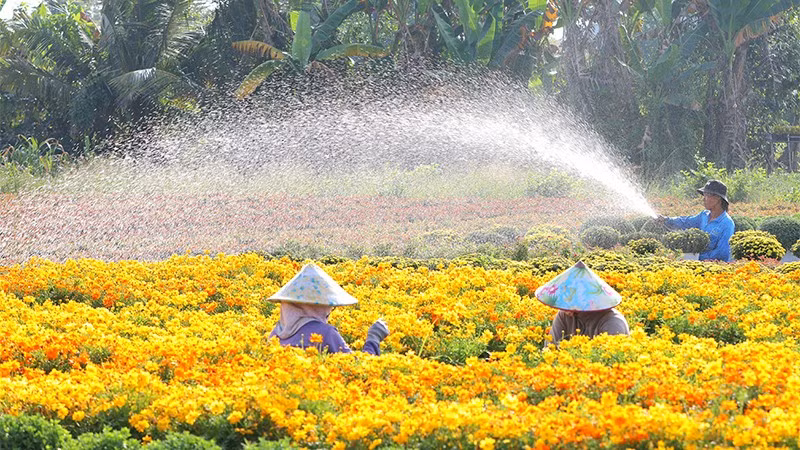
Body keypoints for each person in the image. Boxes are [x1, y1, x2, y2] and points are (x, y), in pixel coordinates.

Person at [267, 263, 389, 355]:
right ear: (319, 306)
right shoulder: (325, 333)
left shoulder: (275, 334)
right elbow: (358, 369)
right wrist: (373, 338)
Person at [535, 261, 630, 346]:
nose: (566, 306)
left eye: (573, 299)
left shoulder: (613, 322)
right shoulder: (564, 315)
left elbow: (609, 360)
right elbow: (550, 348)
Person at [656, 179, 735, 262]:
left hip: (714, 268)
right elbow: (686, 222)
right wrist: (667, 220)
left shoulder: (727, 224)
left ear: (718, 198)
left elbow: (723, 253)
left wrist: (696, 258)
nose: (703, 199)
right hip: (696, 263)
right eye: (704, 195)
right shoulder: (704, 215)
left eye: (707, 195)